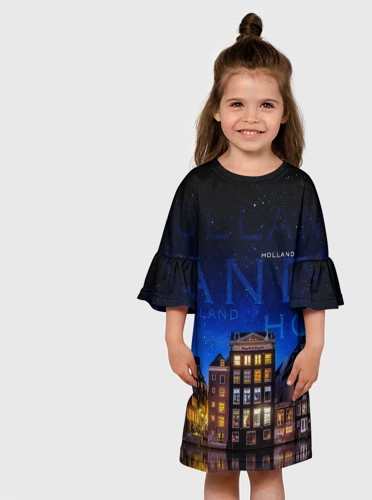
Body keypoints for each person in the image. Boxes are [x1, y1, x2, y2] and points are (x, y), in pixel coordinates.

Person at [137, 12, 344, 500]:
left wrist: (315, 347)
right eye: (237, 104)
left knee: (269, 473)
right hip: (212, 351)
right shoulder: (196, 188)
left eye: (266, 104)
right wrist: (173, 339)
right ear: (216, 110)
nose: (251, 117)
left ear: (285, 113)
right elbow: (178, 266)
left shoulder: (299, 189)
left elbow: (311, 274)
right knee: (219, 471)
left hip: (284, 357)